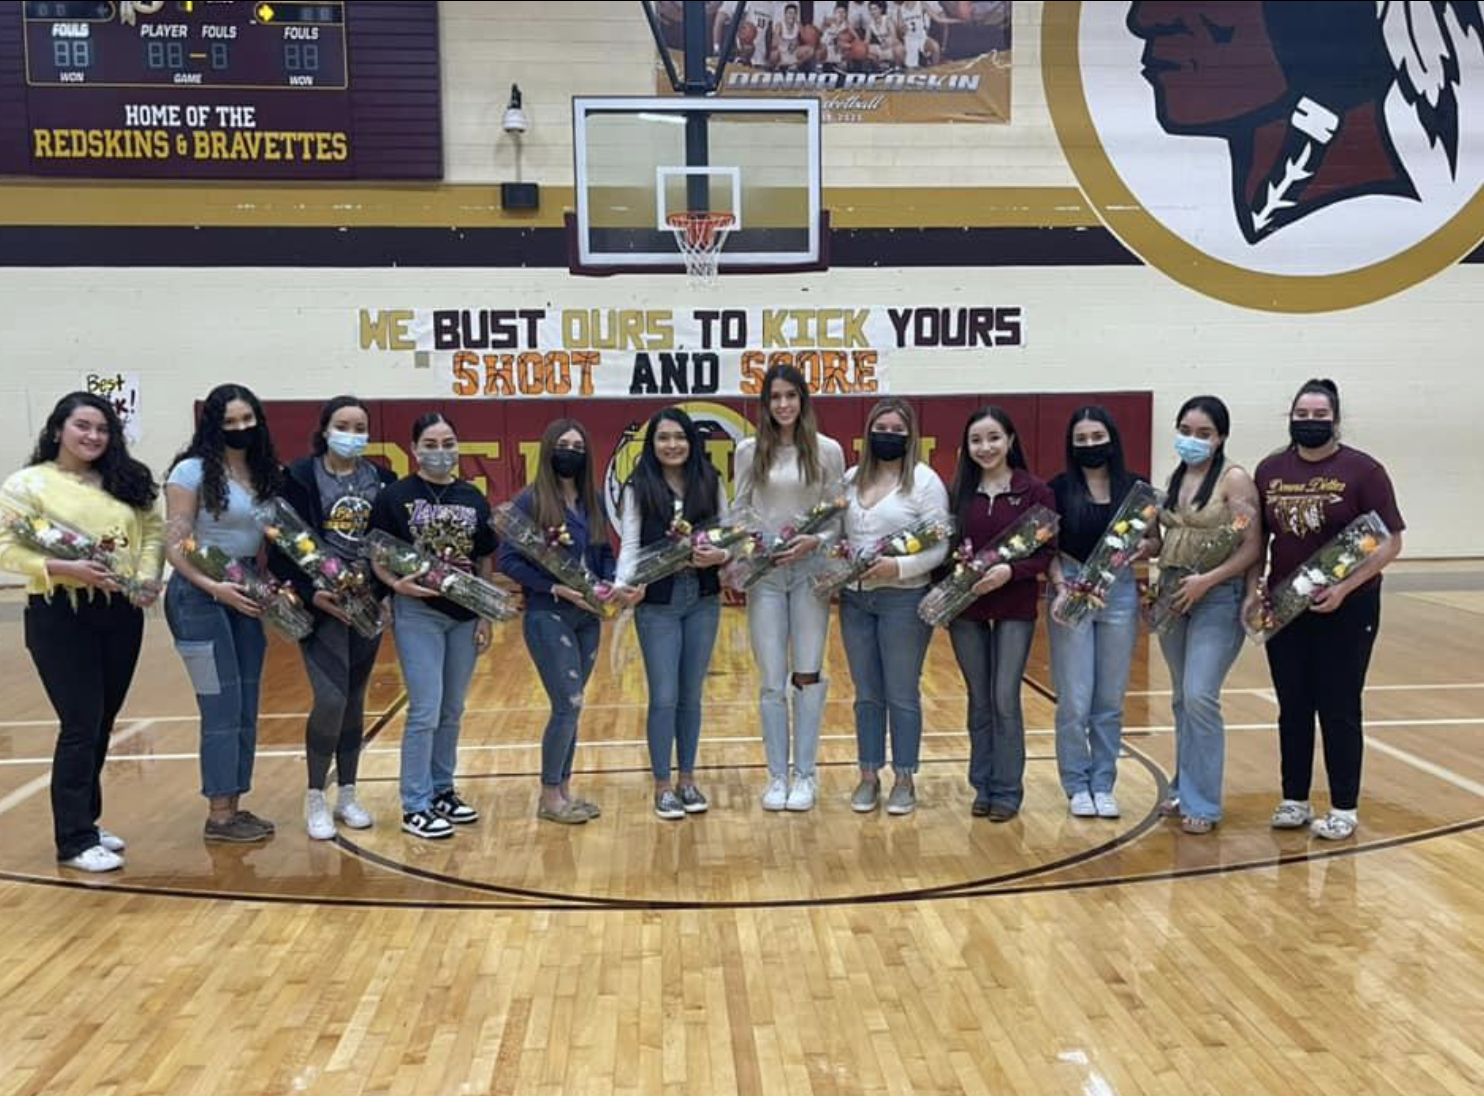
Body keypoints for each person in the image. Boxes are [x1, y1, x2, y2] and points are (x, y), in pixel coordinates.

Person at [0, 393, 164, 872]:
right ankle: (72, 840)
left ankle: (87, 821)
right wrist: (64, 567)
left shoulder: (126, 481)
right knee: (79, 724)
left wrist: (148, 577)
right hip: (59, 614)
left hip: (120, 614)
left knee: (102, 722)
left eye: (103, 429)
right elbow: (5, 548)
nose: (93, 436)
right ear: (57, 430)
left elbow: (152, 531)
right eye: (82, 426)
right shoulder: (27, 484)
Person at [1247, 379, 1404, 839]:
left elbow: (1390, 540)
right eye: (1302, 414)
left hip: (1348, 608)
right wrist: (1257, 586)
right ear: (1290, 416)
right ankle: (1294, 799)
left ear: (1335, 419)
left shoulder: (1364, 471)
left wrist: (1345, 587)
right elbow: (1261, 539)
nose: (1310, 422)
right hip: (1286, 604)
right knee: (1292, 704)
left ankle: (1343, 807)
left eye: (1320, 415)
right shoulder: (1269, 470)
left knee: (1338, 705)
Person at [164, 384, 283, 843]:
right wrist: (215, 588)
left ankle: (235, 805)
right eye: (229, 422)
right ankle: (218, 814)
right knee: (220, 705)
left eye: (247, 419)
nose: (240, 429)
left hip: (247, 592)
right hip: (199, 597)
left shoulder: (264, 472)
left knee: (247, 702)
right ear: (213, 426)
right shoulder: (190, 471)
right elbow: (175, 546)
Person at [368, 413, 496, 840]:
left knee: (452, 709)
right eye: (431, 443)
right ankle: (415, 803)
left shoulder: (472, 497)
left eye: (447, 442)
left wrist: (484, 611)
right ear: (414, 448)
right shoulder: (395, 496)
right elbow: (377, 552)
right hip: (417, 611)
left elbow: (484, 558)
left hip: (463, 614)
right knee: (424, 709)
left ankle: (443, 790)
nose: (440, 451)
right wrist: (392, 584)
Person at [274, 396, 396, 840]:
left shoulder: (382, 479)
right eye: (342, 424)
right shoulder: (300, 477)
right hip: (322, 605)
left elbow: (389, 546)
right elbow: (283, 545)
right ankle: (314, 796)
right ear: (325, 429)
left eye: (360, 425)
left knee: (355, 699)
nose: (352, 433)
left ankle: (348, 793)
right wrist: (311, 592)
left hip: (366, 604)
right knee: (330, 699)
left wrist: (383, 593)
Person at [734, 364, 846, 812]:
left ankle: (806, 775)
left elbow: (838, 515)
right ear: (765, 404)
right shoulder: (748, 450)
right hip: (765, 574)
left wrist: (814, 540)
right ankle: (776, 776)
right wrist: (754, 543)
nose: (783, 404)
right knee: (771, 680)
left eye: (790, 396)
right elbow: (739, 510)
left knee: (807, 673)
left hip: (811, 572)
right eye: (774, 397)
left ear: (803, 400)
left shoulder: (828, 451)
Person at [1148, 396, 1260, 834]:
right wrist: (1146, 545)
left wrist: (1208, 581)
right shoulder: (1175, 478)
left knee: (1199, 695)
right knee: (1180, 699)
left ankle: (1205, 803)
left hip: (1216, 596)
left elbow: (1252, 546)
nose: (1192, 440)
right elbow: (1167, 541)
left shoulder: (1234, 481)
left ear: (1221, 437)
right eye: (1186, 430)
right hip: (1173, 591)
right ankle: (1183, 786)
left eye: (1203, 433)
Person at [614, 408, 732, 820]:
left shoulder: (710, 479)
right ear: (652, 444)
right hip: (657, 603)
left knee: (691, 696)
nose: (672, 445)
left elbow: (729, 533)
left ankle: (687, 779)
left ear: (691, 440)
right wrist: (623, 585)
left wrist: (722, 555)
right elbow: (629, 543)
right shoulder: (638, 485)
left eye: (679, 437)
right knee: (664, 697)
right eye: (663, 438)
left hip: (702, 598)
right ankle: (662, 785)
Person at [498, 419, 616, 825]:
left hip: (588, 616)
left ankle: (564, 790)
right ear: (549, 450)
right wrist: (553, 588)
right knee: (566, 703)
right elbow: (508, 560)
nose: (571, 452)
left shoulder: (593, 501)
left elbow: (604, 554)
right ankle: (549, 794)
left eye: (578, 446)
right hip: (549, 614)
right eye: (564, 445)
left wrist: (610, 586)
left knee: (575, 705)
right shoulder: (530, 502)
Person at [839, 398, 951, 816]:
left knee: (902, 693)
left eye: (896, 429)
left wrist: (898, 566)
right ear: (868, 433)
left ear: (910, 436)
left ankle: (904, 778)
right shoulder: (851, 479)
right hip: (855, 599)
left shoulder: (924, 482)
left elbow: (940, 546)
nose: (888, 435)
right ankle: (868, 775)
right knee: (867, 694)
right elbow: (838, 534)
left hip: (905, 600)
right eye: (880, 427)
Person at [944, 407, 1055, 822]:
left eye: (993, 438)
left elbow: (1046, 554)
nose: (985, 447)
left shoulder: (1036, 492)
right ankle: (983, 785)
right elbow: (945, 552)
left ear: (1010, 440)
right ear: (966, 447)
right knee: (979, 699)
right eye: (976, 440)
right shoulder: (958, 494)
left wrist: (1011, 570)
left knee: (1004, 697)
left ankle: (1008, 790)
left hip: (1014, 606)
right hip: (967, 610)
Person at [1047, 406, 1153, 820]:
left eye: (1097, 437)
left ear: (1111, 439)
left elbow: (1155, 541)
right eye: (1082, 440)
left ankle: (1104, 783)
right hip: (1072, 587)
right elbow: (1047, 549)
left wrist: (1147, 548)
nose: (1091, 445)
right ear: (1072, 446)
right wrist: (1059, 588)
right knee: (1074, 698)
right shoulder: (1057, 489)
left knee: (1109, 699)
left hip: (1120, 591)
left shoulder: (1135, 489)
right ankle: (1076, 783)